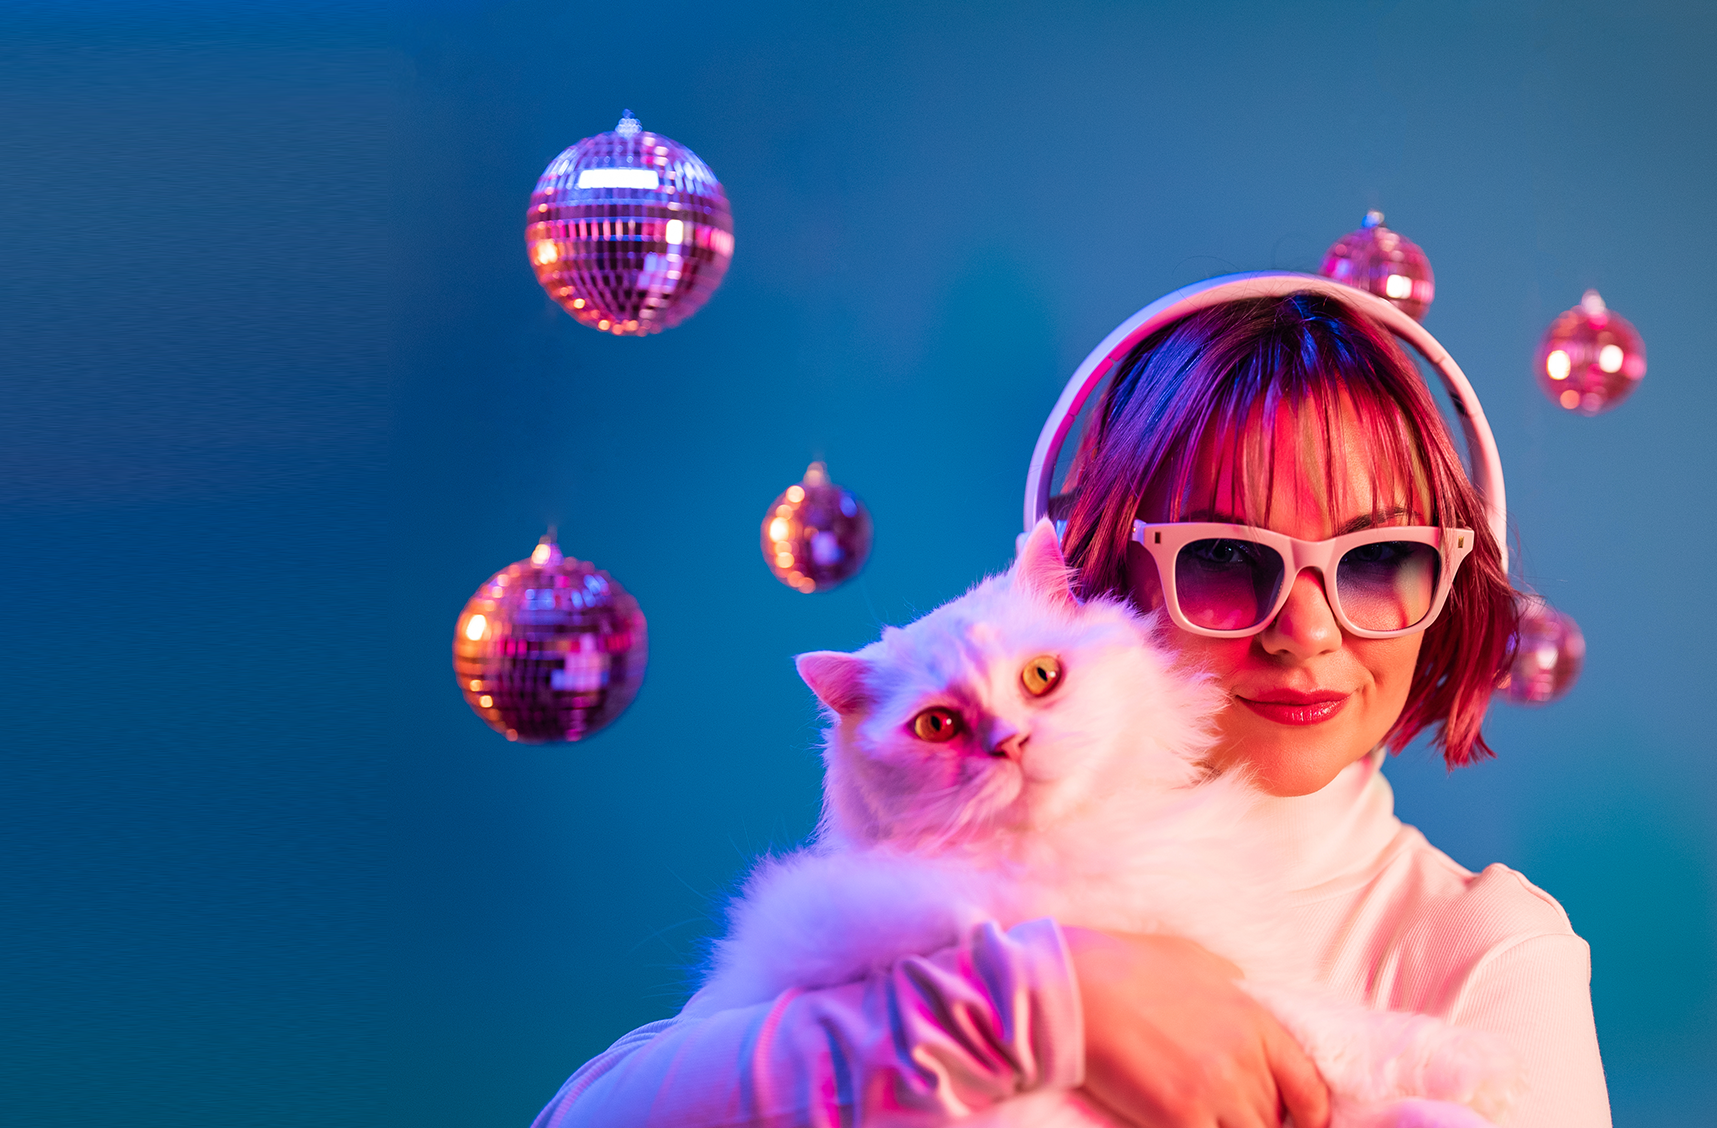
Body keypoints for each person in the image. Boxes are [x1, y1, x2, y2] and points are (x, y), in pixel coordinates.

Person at [534, 291, 1612, 1128]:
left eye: (1379, 560)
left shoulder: (1490, 951)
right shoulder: (926, 873)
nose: (1307, 631)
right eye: (1225, 560)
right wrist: (1042, 1006)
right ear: (1105, 586)